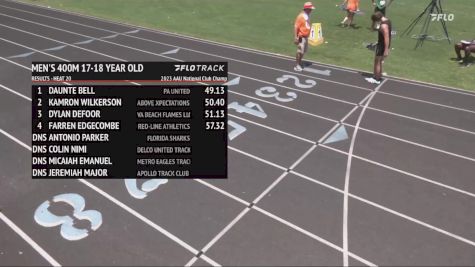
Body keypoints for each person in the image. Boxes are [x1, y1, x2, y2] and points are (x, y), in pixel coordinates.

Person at [365, 11, 391, 85]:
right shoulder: (387, 20)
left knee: (377, 61)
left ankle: (376, 79)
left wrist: (386, 50)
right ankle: (378, 75)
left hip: (382, 45)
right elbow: (375, 30)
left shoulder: (383, 26)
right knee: (379, 61)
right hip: (381, 44)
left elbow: (386, 38)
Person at [294, 2, 315, 72]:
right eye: (310, 9)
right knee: (300, 51)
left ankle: (299, 63)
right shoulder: (301, 16)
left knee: (303, 52)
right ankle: (297, 65)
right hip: (301, 37)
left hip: (306, 37)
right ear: (307, 9)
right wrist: (296, 37)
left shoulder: (307, 15)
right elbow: (296, 26)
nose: (311, 10)